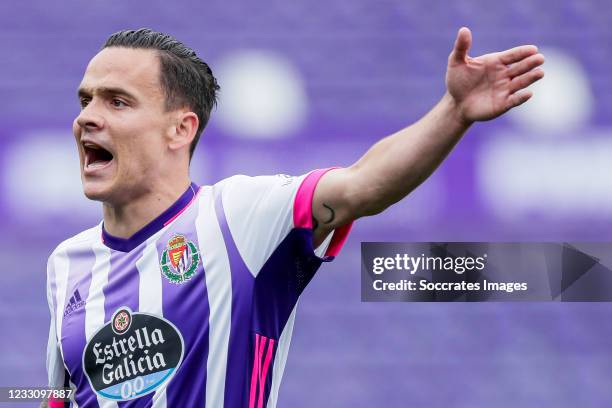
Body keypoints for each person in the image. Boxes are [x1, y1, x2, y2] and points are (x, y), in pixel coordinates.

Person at [44, 27, 544, 407]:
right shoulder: (66, 265)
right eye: (85, 99)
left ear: (181, 128)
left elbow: (363, 185)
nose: (88, 116)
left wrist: (453, 111)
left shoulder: (237, 217)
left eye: (117, 101)